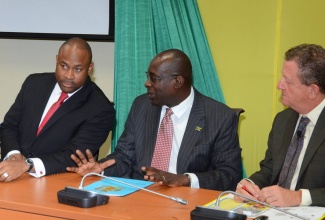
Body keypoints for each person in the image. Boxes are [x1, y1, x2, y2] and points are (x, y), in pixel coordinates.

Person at [67, 49, 242, 190]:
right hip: (140, 197)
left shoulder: (219, 117)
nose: (147, 83)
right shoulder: (142, 105)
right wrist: (101, 169)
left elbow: (229, 175)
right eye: (148, 76)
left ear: (178, 82)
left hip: (187, 202)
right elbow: (124, 156)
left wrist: (185, 179)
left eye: (154, 78)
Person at [0, 37, 115, 182]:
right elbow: (9, 126)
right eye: (64, 66)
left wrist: (26, 165)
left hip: (54, 182)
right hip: (10, 174)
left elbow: (73, 156)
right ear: (56, 60)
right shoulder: (33, 83)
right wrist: (14, 155)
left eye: (78, 69)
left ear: (90, 68)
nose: (69, 75)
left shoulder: (100, 109)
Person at [235, 44, 325, 207]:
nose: (279, 85)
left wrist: (299, 197)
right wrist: (249, 185)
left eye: (288, 81)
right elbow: (269, 170)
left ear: (312, 90)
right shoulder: (283, 120)